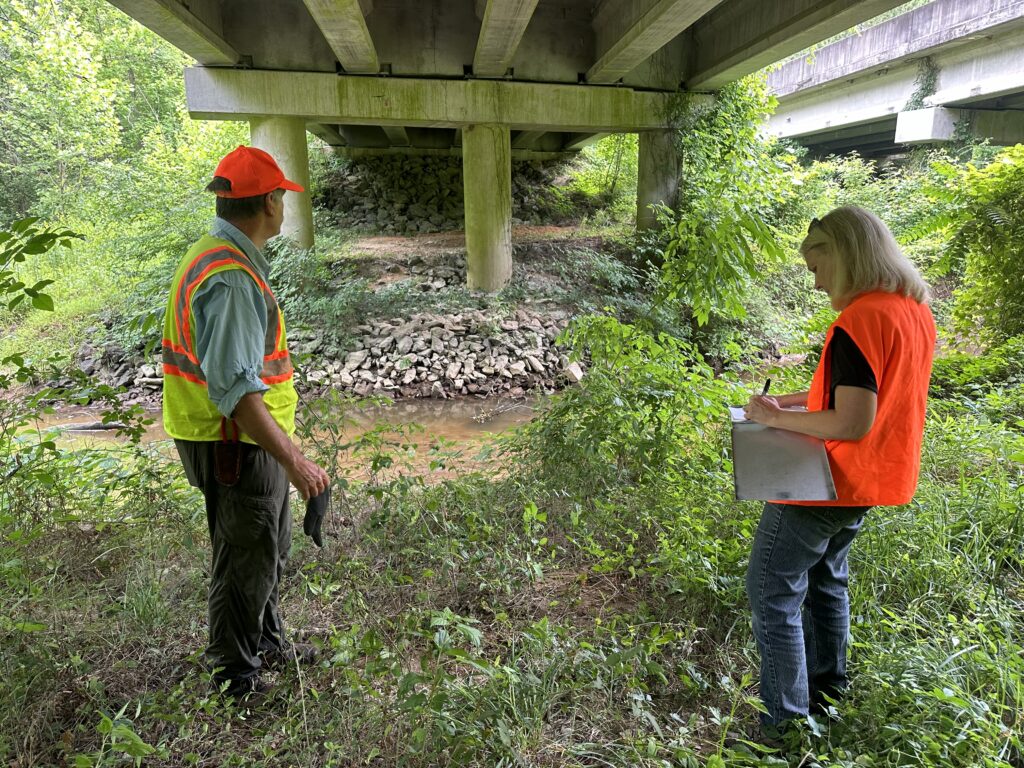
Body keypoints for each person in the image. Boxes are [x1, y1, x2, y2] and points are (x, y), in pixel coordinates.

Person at [742, 205, 936, 734]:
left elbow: (851, 422)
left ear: (845, 253)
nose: (815, 278)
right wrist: (784, 403)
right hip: (873, 479)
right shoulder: (910, 310)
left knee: (771, 590)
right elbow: (862, 393)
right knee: (828, 581)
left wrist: (778, 420)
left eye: (815, 264)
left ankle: (786, 725)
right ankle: (829, 694)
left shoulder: (860, 318)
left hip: (827, 482)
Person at [161, 145, 330, 697]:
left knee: (266, 546)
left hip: (239, 443)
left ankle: (265, 641)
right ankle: (234, 675)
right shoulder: (231, 278)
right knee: (245, 555)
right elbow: (235, 390)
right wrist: (296, 460)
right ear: (272, 202)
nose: (284, 206)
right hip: (236, 443)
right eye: (282, 196)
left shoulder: (214, 255)